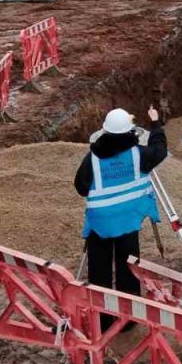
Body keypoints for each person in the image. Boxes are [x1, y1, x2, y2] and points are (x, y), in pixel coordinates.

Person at [73, 106, 167, 321]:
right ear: (129, 131)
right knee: (128, 266)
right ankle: (128, 319)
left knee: (99, 270)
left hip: (100, 224)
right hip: (128, 220)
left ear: (105, 131)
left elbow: (81, 186)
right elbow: (159, 150)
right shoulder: (138, 155)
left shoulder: (92, 158)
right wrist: (155, 124)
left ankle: (104, 319)